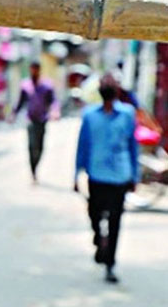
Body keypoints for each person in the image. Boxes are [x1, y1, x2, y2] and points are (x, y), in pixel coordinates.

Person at [74, 74, 139, 284]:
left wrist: (134, 175)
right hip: (97, 175)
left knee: (115, 221)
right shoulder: (90, 115)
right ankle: (99, 239)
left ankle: (110, 263)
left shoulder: (127, 114)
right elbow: (83, 145)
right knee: (94, 214)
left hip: (120, 176)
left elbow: (133, 146)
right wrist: (76, 174)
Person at [10, 61, 58, 183]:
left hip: (42, 120)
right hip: (30, 120)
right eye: (32, 69)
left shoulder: (46, 85)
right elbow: (20, 102)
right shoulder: (25, 85)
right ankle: (33, 172)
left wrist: (55, 111)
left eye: (36, 69)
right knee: (31, 146)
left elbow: (53, 100)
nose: (34, 71)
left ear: (39, 70)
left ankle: (36, 166)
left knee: (40, 147)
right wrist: (13, 114)